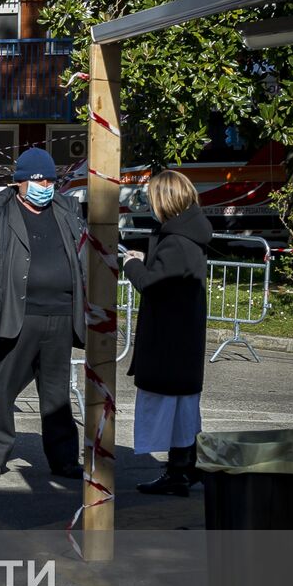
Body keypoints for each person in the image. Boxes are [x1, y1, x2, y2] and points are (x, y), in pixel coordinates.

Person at [0, 146, 86, 480]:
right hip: (14, 315)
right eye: (37, 180)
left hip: (60, 316)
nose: (45, 185)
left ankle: (64, 459)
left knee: (56, 395)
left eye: (50, 179)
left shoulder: (67, 210)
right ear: (19, 182)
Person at [125, 170, 212, 495]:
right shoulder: (188, 235)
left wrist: (133, 263)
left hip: (170, 341)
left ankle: (183, 470)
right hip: (183, 340)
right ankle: (182, 471)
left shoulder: (176, 241)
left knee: (172, 408)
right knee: (183, 410)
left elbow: (154, 284)